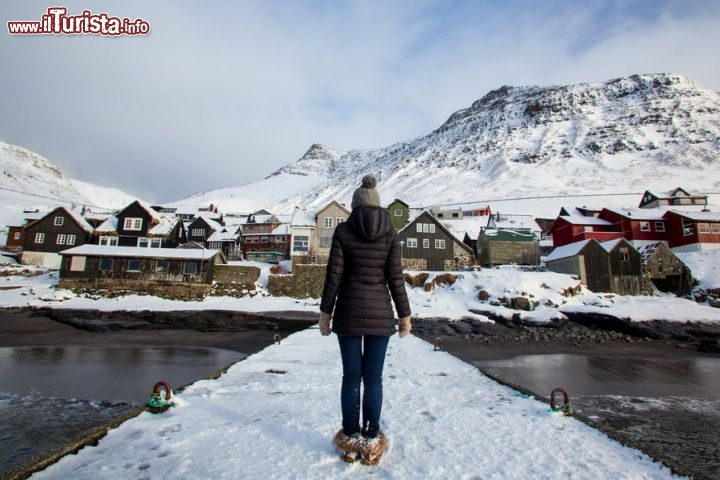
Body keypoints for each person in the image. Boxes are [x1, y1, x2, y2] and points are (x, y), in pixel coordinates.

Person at [319, 174, 412, 464]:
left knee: (351, 378)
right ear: (378, 205)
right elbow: (395, 278)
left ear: (355, 205)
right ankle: (371, 439)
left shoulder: (343, 232)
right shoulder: (390, 233)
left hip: (347, 313)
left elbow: (333, 276)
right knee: (373, 379)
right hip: (381, 316)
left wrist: (325, 312)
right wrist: (404, 315)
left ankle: (349, 441)